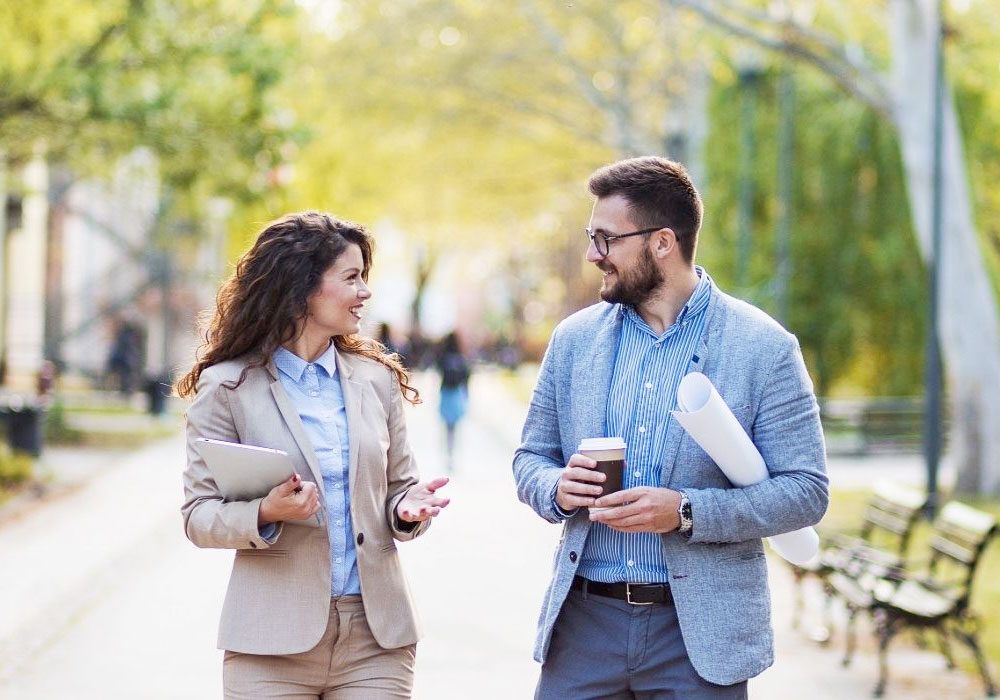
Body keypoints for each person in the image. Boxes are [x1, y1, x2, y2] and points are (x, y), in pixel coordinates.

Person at [512, 157, 828, 698]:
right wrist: (556, 488)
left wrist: (685, 511)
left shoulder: (764, 347)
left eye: (606, 239)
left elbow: (806, 492)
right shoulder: (573, 341)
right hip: (585, 626)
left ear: (662, 242)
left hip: (700, 638)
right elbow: (530, 459)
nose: (593, 254)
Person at [178, 211, 450, 699]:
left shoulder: (376, 379)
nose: (365, 292)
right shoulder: (229, 386)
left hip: (376, 638)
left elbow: (398, 488)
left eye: (365, 277)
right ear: (302, 286)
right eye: (351, 277)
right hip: (269, 643)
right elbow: (199, 516)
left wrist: (408, 509)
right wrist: (266, 512)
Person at [435, 331, 470, 471]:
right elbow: (466, 378)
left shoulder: (443, 357)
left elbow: (438, 372)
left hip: (445, 394)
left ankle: (447, 453)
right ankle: (452, 453)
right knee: (454, 427)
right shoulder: (461, 358)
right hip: (456, 394)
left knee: (446, 427)